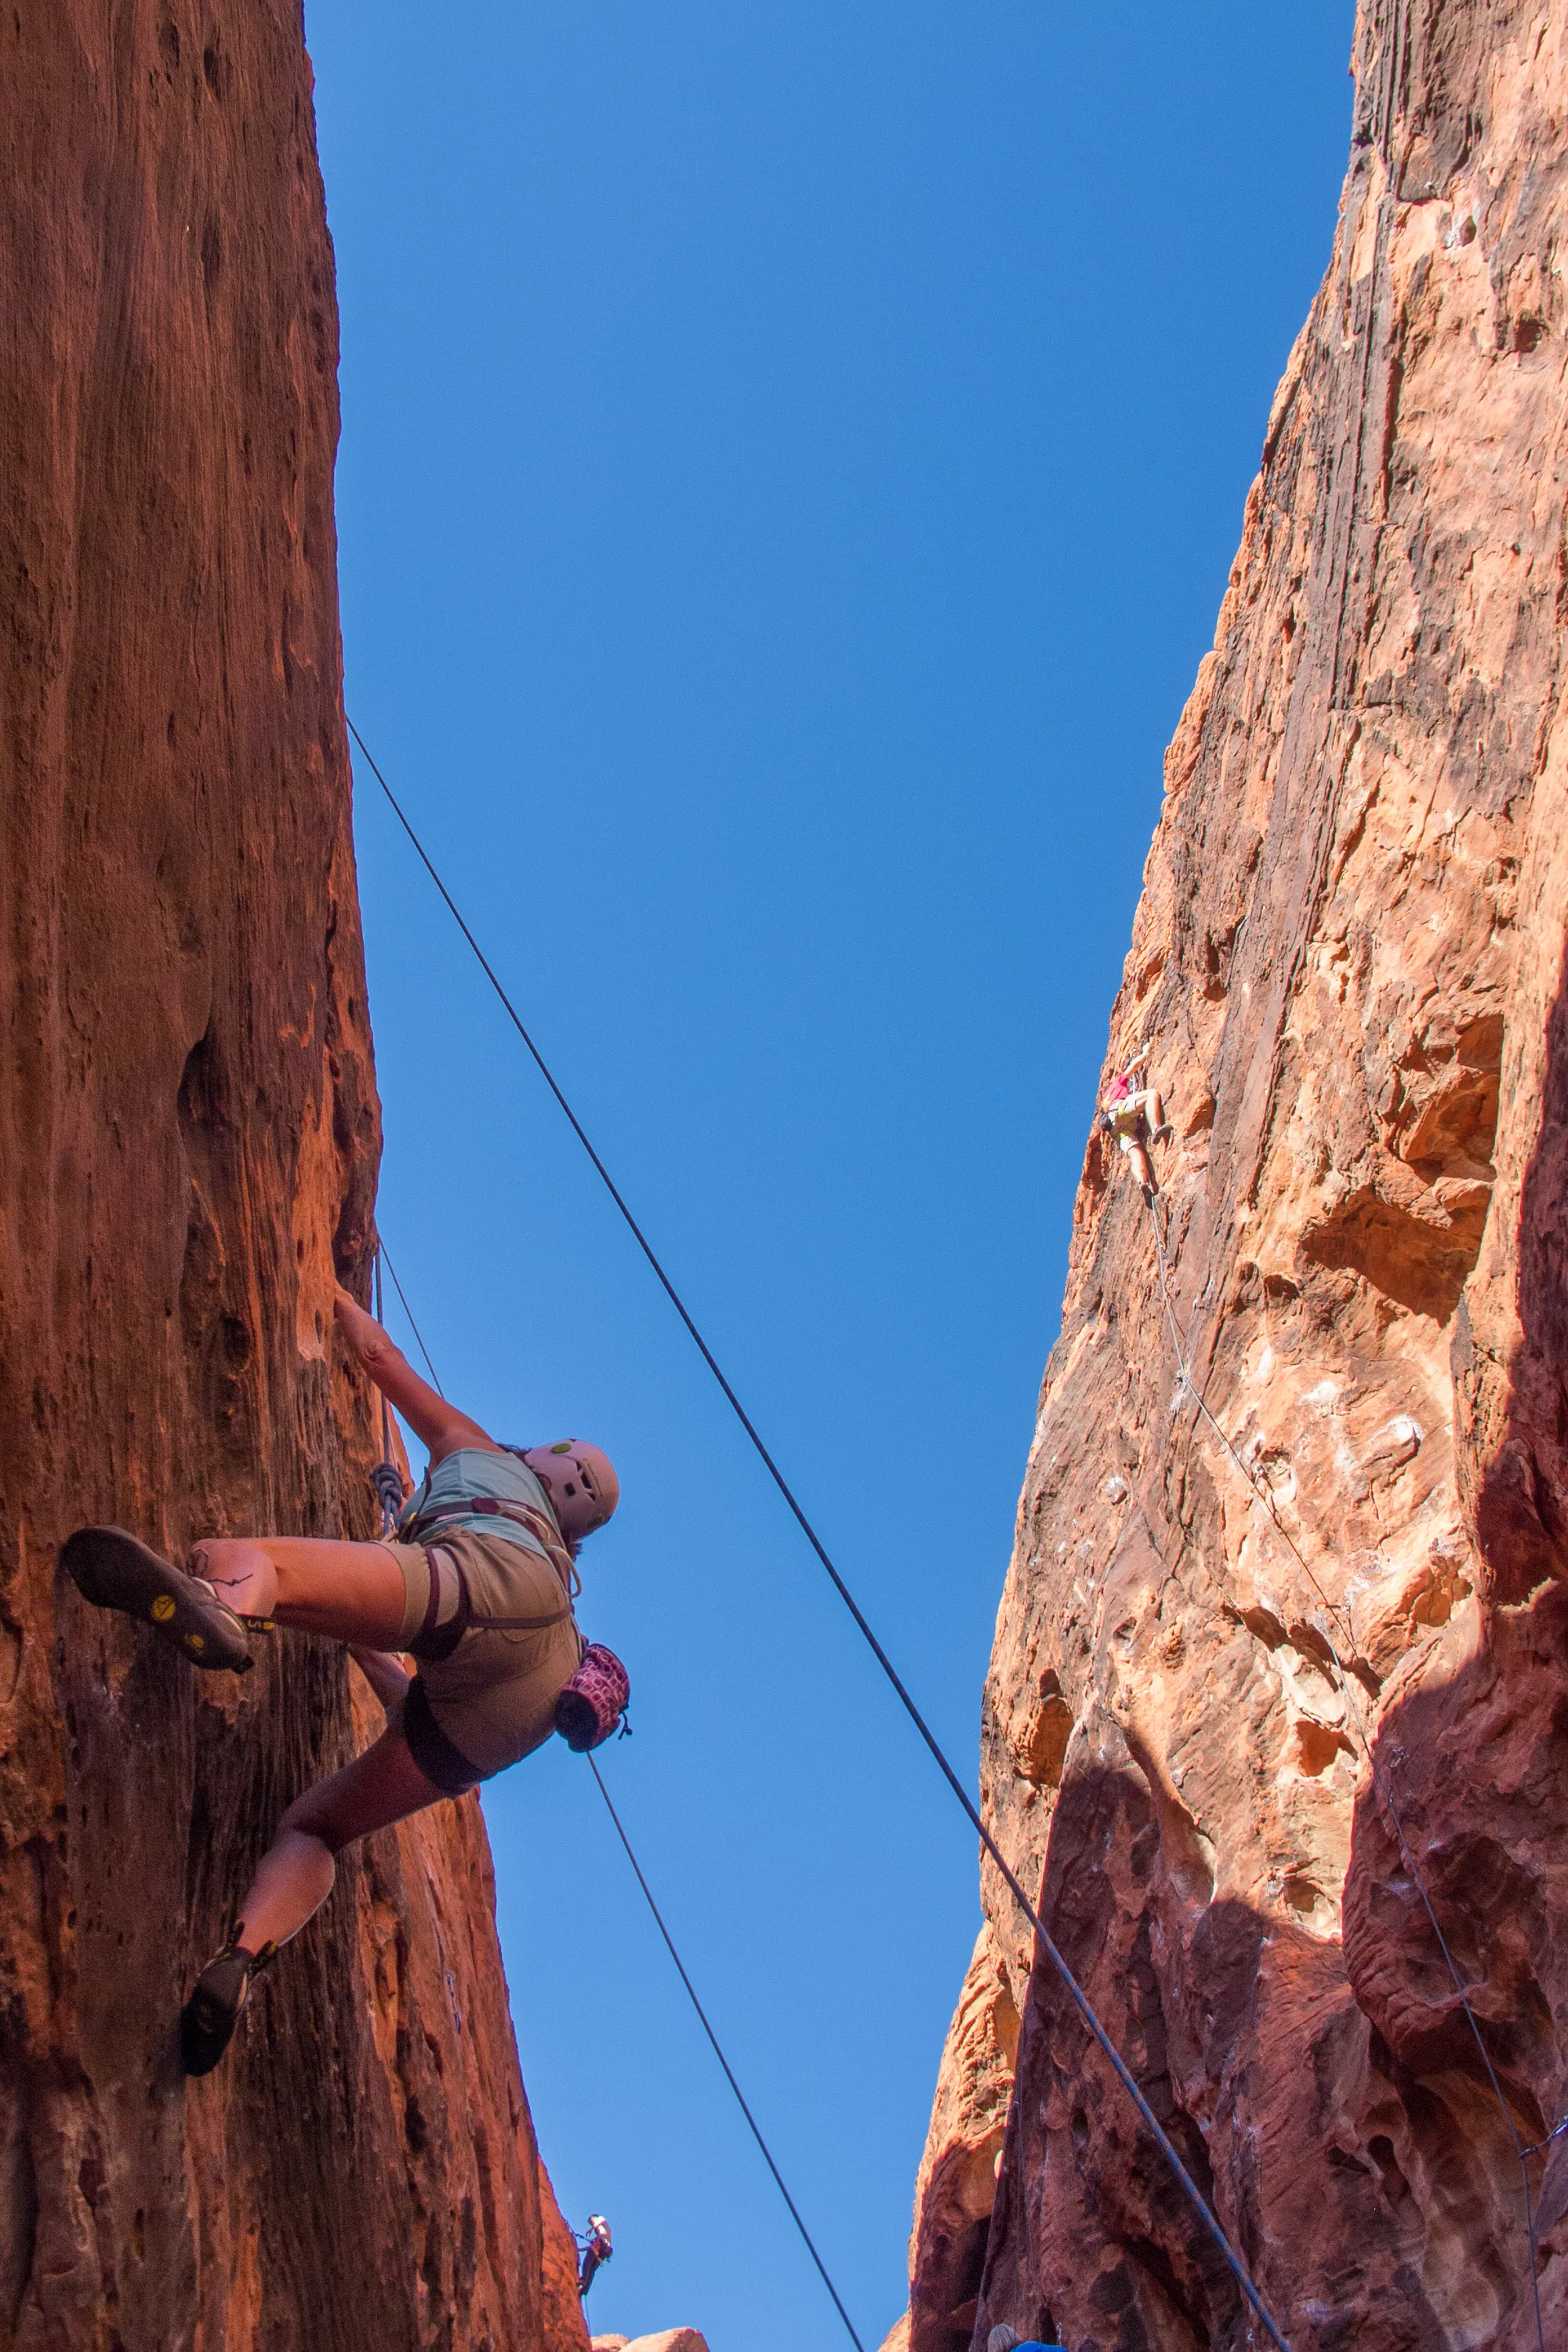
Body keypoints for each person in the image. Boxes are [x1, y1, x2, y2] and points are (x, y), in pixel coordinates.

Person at [61, 1282, 619, 2075]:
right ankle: (244, 1956)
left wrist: (325, 1282)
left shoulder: (485, 1456)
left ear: (548, 1460)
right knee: (319, 1827)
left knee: (243, 1561)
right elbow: (419, 1701)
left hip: (478, 1578)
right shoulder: (562, 1576)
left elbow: (377, 1355)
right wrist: (354, 1630)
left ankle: (229, 1605)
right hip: (520, 1705)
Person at [1101, 1045, 1173, 1198]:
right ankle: (1156, 1129)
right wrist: (1146, 1053)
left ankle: (1142, 1182)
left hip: (1116, 1130)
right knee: (1151, 1095)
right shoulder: (1117, 1084)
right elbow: (1133, 1067)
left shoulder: (1105, 1101)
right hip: (1120, 1110)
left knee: (1136, 1154)